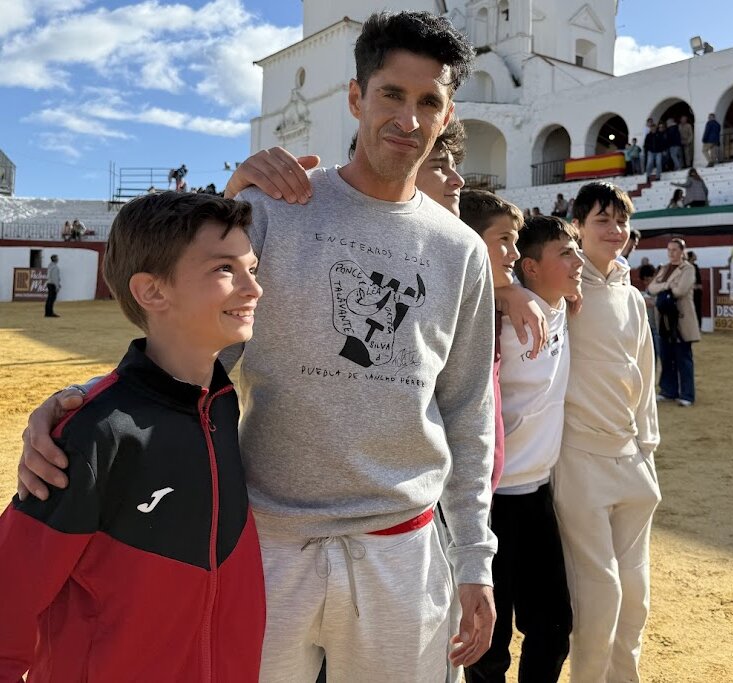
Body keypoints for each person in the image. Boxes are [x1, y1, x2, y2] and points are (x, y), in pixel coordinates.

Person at [18, 12, 497, 682]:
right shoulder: (278, 208)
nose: (408, 119)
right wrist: (83, 406)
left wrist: (476, 557)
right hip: (267, 543)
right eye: (392, 94)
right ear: (356, 97)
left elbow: (468, 412)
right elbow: (194, 352)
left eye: (429, 102)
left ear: (447, 116)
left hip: (403, 550)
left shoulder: (463, 252)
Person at [0, 192, 266, 679]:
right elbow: (8, 600)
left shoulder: (224, 405)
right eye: (225, 269)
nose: (254, 289)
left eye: (253, 268)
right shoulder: (91, 432)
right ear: (152, 292)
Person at [466, 215, 582, 683]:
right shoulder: (498, 313)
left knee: (554, 628)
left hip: (536, 494)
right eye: (566, 253)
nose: (578, 263)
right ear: (529, 268)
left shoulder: (562, 308)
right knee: (490, 643)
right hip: (489, 500)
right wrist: (504, 293)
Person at [555, 181, 660, 683]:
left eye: (621, 220)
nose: (614, 230)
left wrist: (647, 450)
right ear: (577, 225)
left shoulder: (633, 295)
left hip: (631, 459)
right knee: (600, 598)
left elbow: (645, 376)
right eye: (602, 220)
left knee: (635, 598)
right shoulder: (560, 288)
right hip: (578, 458)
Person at [647, 238, 700, 406]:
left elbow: (680, 290)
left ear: (682, 251)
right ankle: (668, 390)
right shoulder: (664, 268)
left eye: (674, 250)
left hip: (681, 318)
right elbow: (651, 288)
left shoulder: (688, 268)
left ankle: (686, 394)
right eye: (669, 250)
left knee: (683, 356)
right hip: (664, 318)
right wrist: (667, 288)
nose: (671, 253)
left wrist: (663, 287)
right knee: (666, 355)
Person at [687, 250, 704, 328]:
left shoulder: (695, 266)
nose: (696, 256)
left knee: (697, 309)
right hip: (690, 291)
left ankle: (698, 327)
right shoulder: (686, 267)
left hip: (697, 292)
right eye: (694, 255)